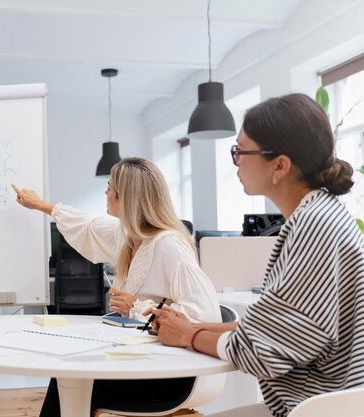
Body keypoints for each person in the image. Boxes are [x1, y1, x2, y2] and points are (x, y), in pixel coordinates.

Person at [153, 93, 364, 417]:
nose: (235, 161)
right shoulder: (322, 214)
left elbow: (263, 352)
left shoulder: (313, 226)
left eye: (240, 151)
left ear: (280, 165)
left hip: (318, 407)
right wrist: (193, 327)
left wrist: (189, 336)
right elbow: (270, 328)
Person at [12, 157, 220, 416]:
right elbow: (88, 225)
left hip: (170, 373)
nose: (106, 193)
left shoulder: (169, 245)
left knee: (74, 378)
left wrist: (136, 307)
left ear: (127, 198)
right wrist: (42, 205)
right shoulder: (128, 236)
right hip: (143, 361)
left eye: (110, 188)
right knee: (68, 375)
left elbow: (205, 315)